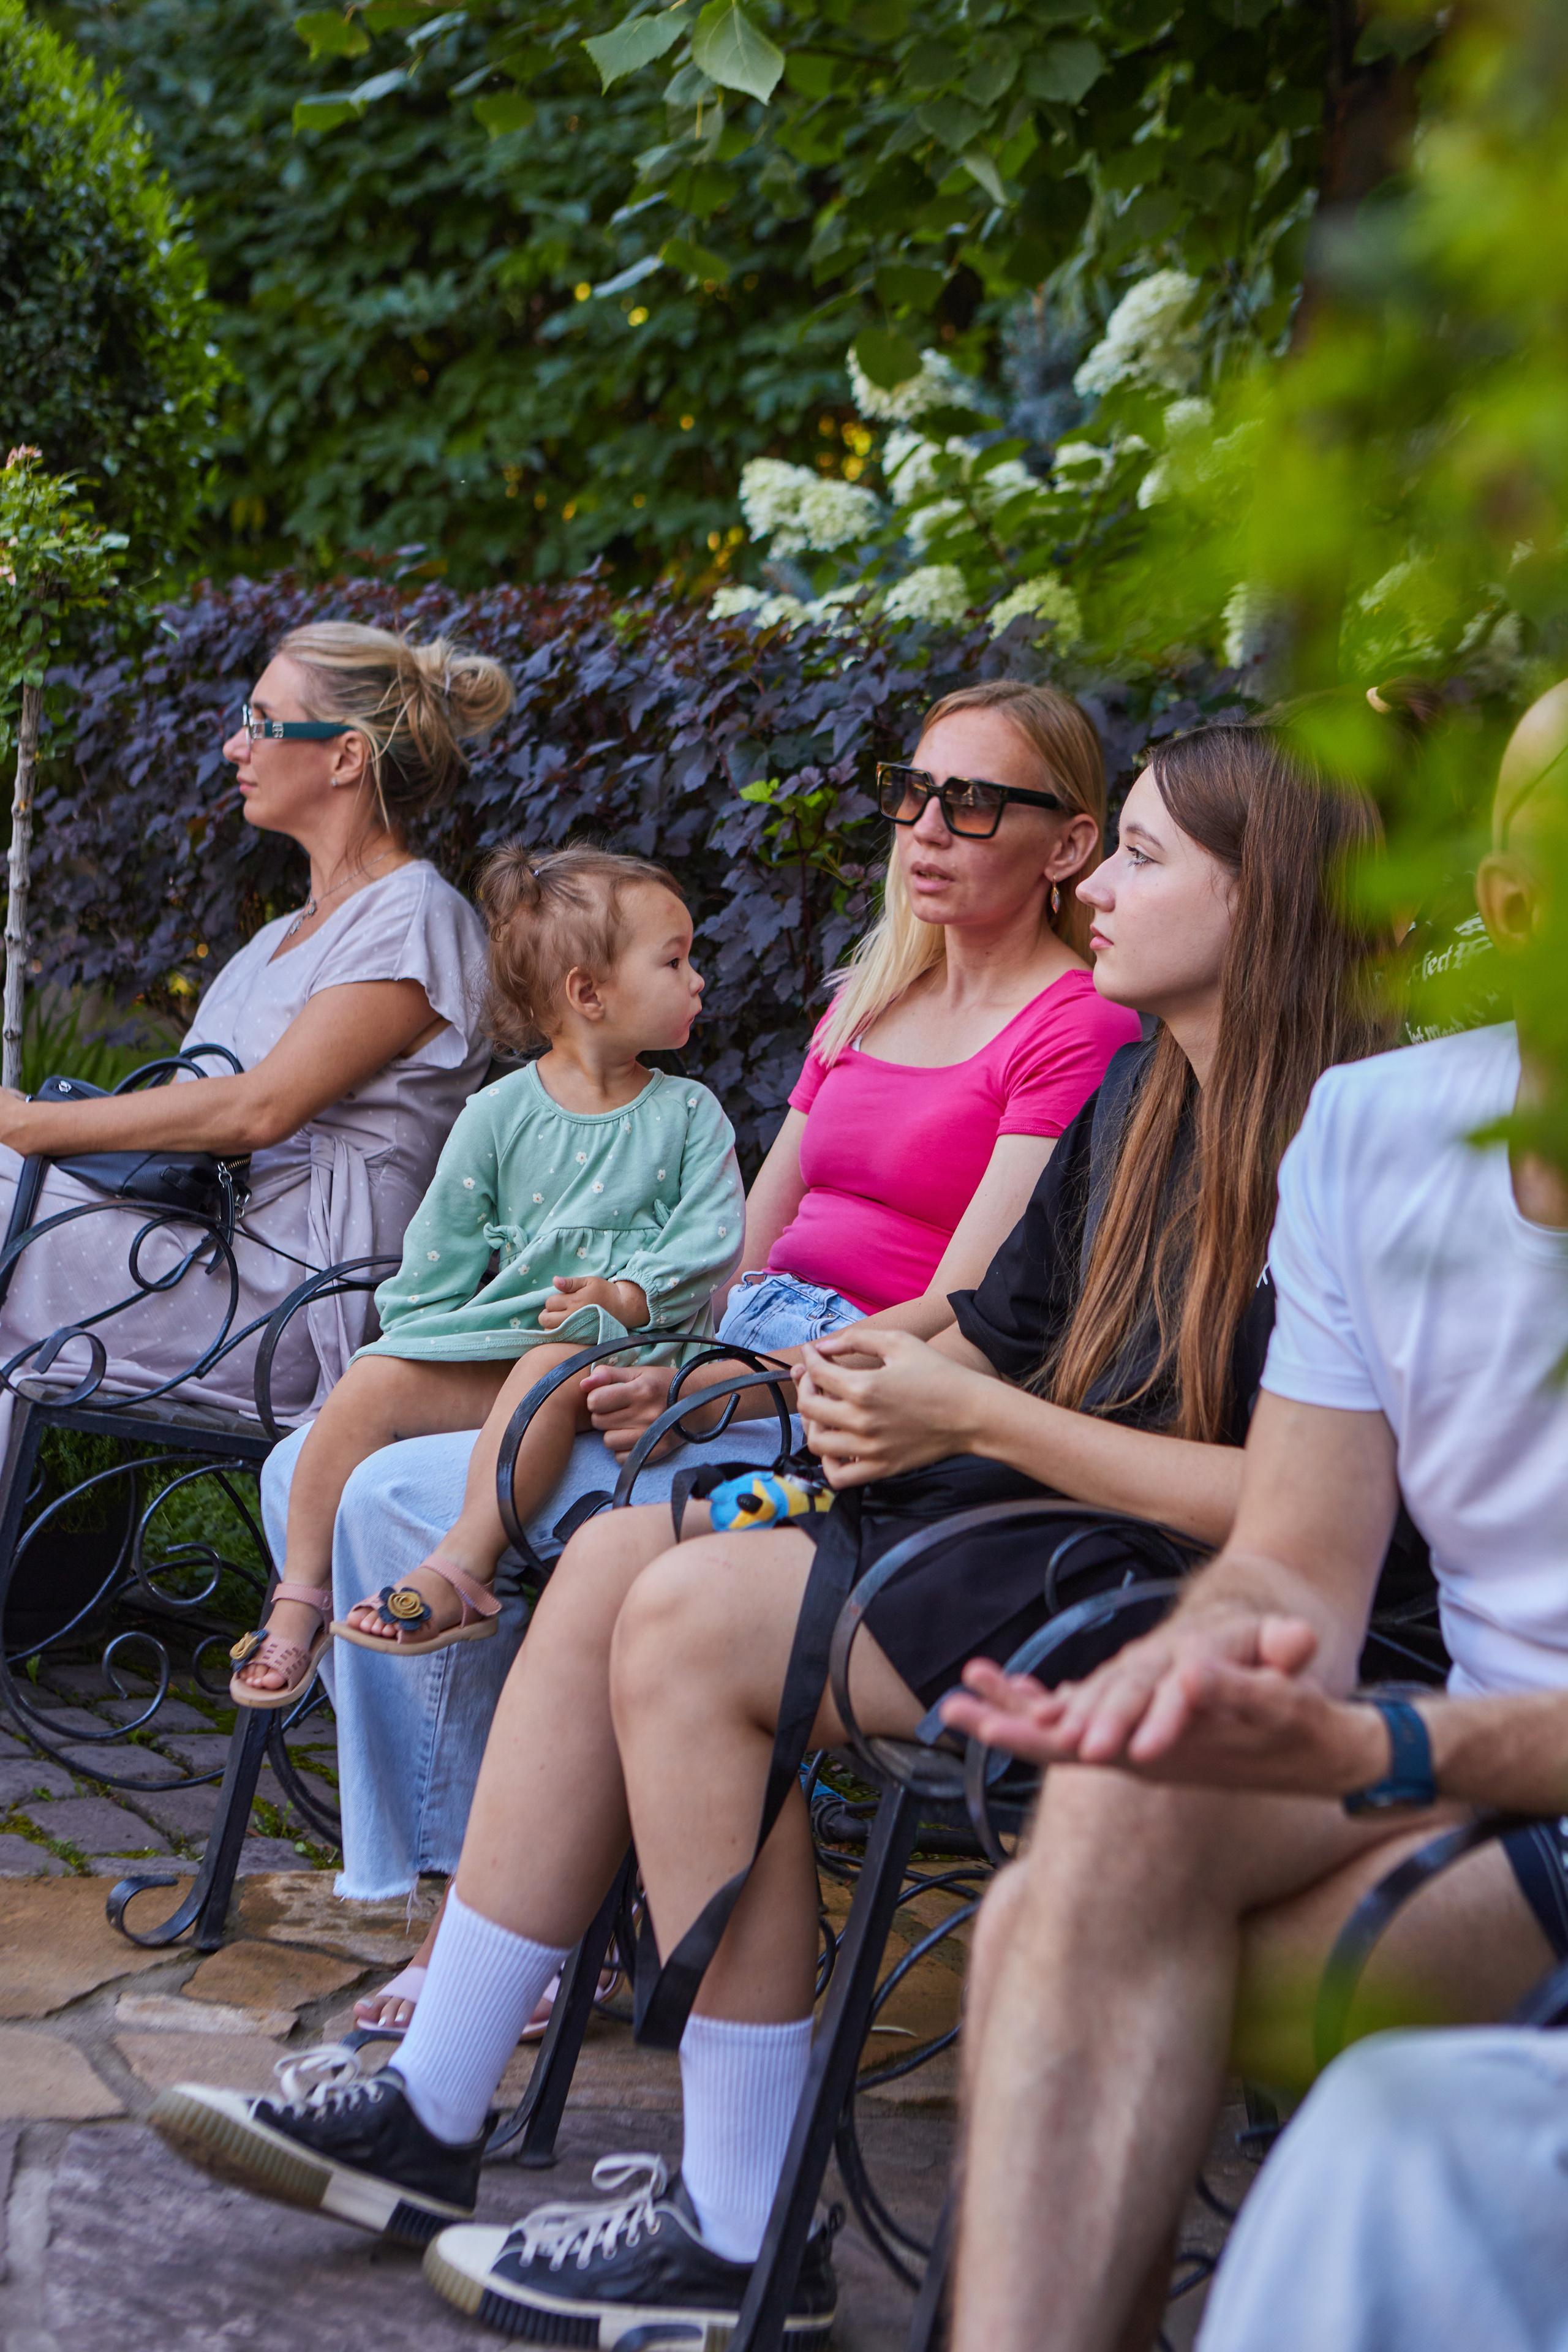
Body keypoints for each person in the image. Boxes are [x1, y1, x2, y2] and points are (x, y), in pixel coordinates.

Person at [149, 717, 1394, 2347]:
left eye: (1148, 856)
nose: (1107, 886)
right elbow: (994, 1321)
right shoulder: (1151, 1093)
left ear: (1267, 898)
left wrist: (970, 1419)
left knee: (693, 1622)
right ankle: (432, 2104)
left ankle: (741, 2225)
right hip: (1054, 1525)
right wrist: (836, 1374)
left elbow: (1303, 1521)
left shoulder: (1356, 1142)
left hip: (1206, 1601)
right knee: (612, 1554)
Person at [254, 679, 1138, 2015]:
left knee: (388, 1495)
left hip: (850, 1392)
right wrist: (654, 1340)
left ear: (1067, 844)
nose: (927, 828)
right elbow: (748, 1235)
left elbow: (969, 1306)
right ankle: (496, 1904)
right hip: (730, 1352)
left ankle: (491, 1937)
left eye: (972, 802)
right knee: (315, 1468)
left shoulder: (1075, 1025)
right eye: (913, 793)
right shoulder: (870, 992)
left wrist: (718, 1383)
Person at [935, 680, 1568, 2352]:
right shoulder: (1381, 1135)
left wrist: (1384, 1752)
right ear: (1512, 910)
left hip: (1487, 1774)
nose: (1095, 898)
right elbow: (1294, 1548)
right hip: (1462, 1759)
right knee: (1125, 1783)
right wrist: (1199, 1665)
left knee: (1039, 1940)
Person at [228, 845, 745, 1708]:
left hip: (627, 1366)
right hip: (509, 1350)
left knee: (547, 1370)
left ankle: (464, 1570)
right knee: (368, 1383)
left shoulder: (688, 1115)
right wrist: (423, 1338)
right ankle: (298, 1602)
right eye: (675, 960)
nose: (697, 980)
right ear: (590, 993)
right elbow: (442, 1249)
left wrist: (627, 1297)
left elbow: (710, 1238)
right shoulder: (498, 1116)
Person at [0, 622, 507, 1440]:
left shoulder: (413, 922)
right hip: (187, 1249)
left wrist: (26, 1123)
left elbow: (261, 1111)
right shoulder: (271, 944)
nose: (237, 746)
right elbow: (177, 1124)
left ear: (346, 757)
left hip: (289, 1298)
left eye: (263, 724)